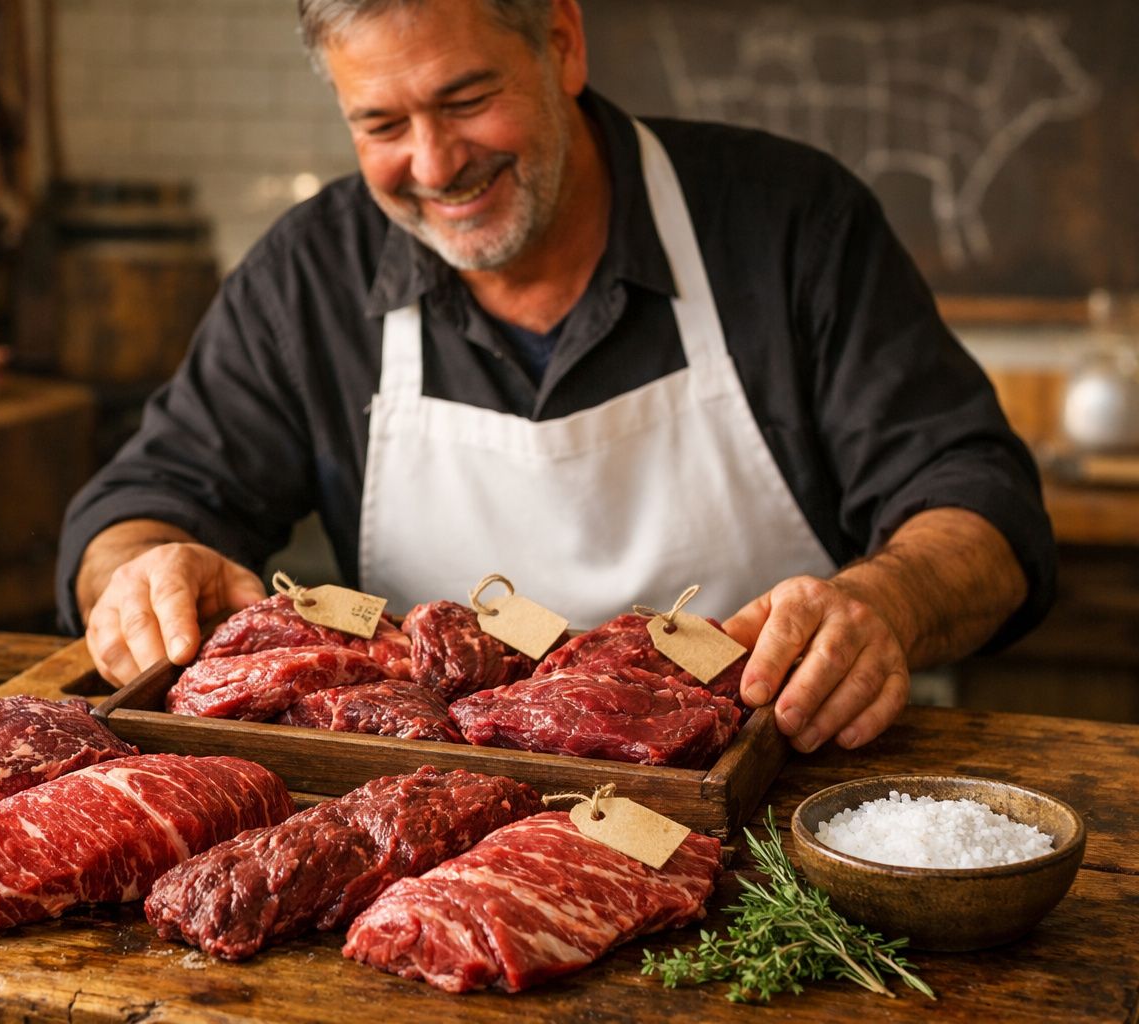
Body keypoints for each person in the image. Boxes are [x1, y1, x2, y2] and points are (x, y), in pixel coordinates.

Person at [56, 0, 1055, 755]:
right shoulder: (308, 275)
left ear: (563, 43)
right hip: (443, 850)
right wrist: (140, 571)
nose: (435, 163)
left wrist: (888, 604)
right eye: (381, 125)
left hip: (780, 792)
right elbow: (146, 505)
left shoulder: (789, 224)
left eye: (467, 100)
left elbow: (980, 508)